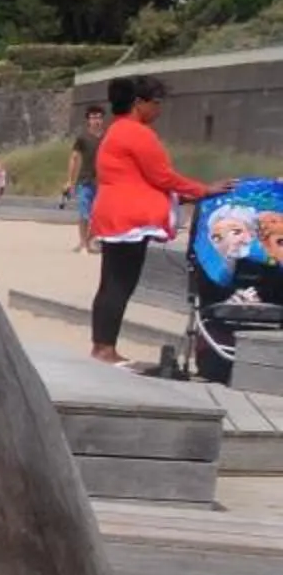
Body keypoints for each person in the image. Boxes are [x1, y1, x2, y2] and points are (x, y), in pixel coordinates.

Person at [89, 76, 206, 367]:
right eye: (156, 103)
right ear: (138, 103)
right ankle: (105, 350)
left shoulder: (115, 132)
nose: (159, 110)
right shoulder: (137, 133)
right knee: (120, 284)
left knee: (110, 283)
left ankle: (101, 346)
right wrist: (204, 189)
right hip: (130, 218)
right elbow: (162, 176)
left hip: (113, 213)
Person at [63, 104, 107, 252]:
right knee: (84, 213)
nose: (97, 121)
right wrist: (70, 180)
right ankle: (83, 242)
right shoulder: (82, 138)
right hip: (85, 180)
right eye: (93, 117)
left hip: (103, 182)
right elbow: (74, 158)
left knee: (99, 214)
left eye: (99, 117)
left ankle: (90, 240)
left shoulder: (108, 136)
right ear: (88, 120)